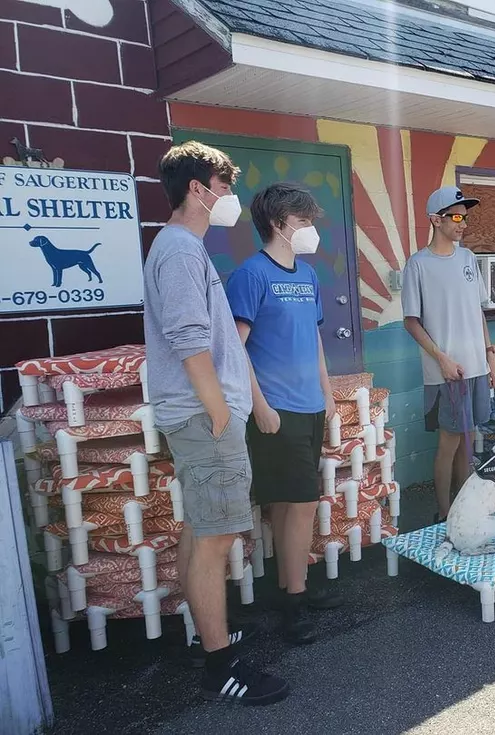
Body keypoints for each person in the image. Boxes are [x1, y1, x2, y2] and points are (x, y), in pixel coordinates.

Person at [143, 141, 289, 705]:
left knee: (201, 528)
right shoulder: (179, 250)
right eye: (224, 187)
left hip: (205, 414)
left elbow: (219, 340)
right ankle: (219, 664)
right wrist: (221, 411)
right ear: (198, 190)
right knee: (216, 536)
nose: (230, 197)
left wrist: (245, 403)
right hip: (205, 418)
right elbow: (189, 342)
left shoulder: (185, 249)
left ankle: (210, 634)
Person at [225, 182, 340, 646]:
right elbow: (236, 348)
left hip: (310, 404)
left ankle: (294, 586)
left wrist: (328, 393)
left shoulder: (307, 275)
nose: (311, 228)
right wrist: (260, 407)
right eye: (304, 220)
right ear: (278, 223)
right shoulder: (251, 275)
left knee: (297, 507)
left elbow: (314, 339)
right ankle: (292, 601)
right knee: (298, 504)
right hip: (276, 410)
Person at [401, 185, 495, 522]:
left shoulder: (468, 258)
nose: (463, 224)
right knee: (449, 441)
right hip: (445, 370)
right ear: (435, 219)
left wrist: (490, 355)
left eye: (465, 218)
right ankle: (443, 513)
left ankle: (464, 507)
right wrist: (441, 357)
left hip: (475, 366)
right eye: (456, 217)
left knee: (468, 437)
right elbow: (411, 322)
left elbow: (478, 311)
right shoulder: (418, 265)